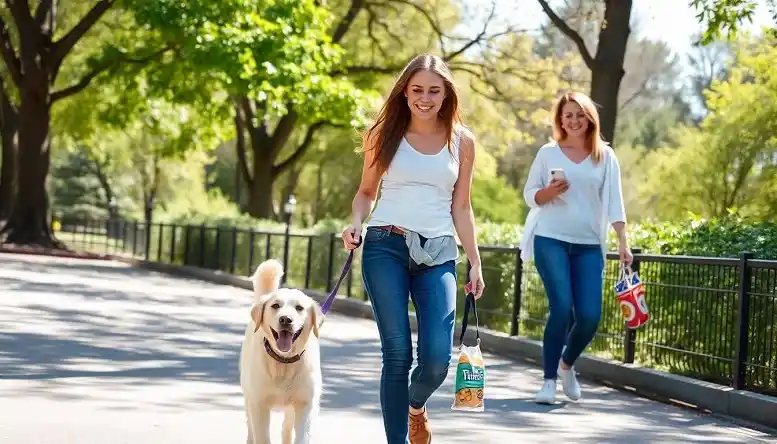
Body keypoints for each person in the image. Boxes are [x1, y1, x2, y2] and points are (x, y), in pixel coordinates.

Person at [341, 53, 485, 444]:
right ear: (405, 91)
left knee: (437, 359)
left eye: (434, 91)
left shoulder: (463, 141)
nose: (425, 97)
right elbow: (365, 193)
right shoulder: (383, 133)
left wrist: (474, 262)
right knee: (397, 355)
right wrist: (355, 222)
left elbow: (462, 206)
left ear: (446, 94)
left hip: (438, 251)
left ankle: (415, 407)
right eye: (417, 89)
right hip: (385, 244)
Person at [519, 91, 632, 405]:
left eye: (580, 115)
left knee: (589, 315)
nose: (574, 120)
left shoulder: (605, 156)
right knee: (562, 306)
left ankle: (566, 364)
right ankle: (548, 381)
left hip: (588, 246)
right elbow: (530, 195)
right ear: (560, 119)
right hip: (550, 238)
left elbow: (615, 204)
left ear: (589, 119)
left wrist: (623, 241)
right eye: (568, 115)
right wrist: (549, 191)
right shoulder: (547, 153)